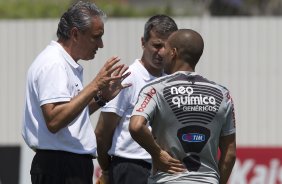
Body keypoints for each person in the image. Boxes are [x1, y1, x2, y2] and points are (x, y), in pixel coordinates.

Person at [22, 1, 131, 184]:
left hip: (66, 164)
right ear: (75, 34)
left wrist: (101, 98)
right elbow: (55, 120)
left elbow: (70, 117)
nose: (101, 44)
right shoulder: (54, 64)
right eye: (96, 37)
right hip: (60, 167)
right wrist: (94, 85)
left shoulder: (64, 63)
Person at [129, 29, 236, 184]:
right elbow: (230, 153)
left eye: (165, 48)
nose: (161, 53)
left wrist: (157, 153)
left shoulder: (156, 88)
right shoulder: (222, 94)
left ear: (173, 52)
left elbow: (136, 126)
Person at [94, 15, 178, 184]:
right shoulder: (128, 78)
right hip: (130, 167)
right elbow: (102, 132)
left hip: (161, 169)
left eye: (166, 47)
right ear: (143, 42)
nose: (161, 52)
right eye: (156, 45)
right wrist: (106, 169)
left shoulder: (171, 81)